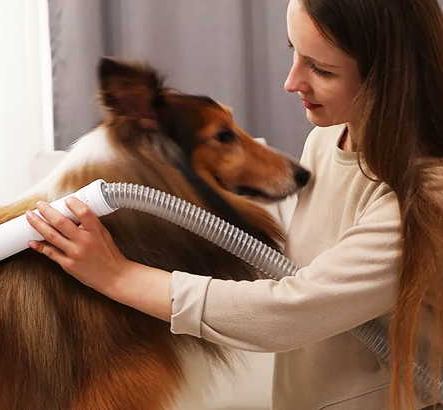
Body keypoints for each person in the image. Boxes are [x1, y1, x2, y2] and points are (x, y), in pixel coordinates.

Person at [25, 0, 443, 408]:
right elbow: (298, 268)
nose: (292, 81)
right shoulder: (327, 139)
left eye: (321, 68)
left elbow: (290, 312)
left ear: (389, 77)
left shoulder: (428, 195)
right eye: (293, 52)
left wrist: (117, 275)